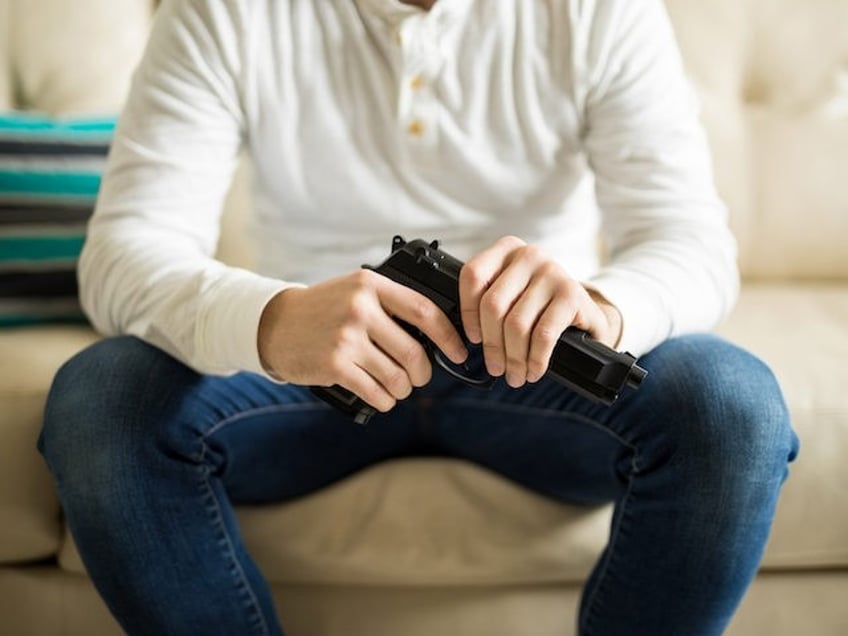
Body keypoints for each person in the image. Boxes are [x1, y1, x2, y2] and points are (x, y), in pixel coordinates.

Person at [39, 0, 799, 634]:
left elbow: (690, 240)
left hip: (535, 364)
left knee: (732, 406)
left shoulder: (598, 8)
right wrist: (273, 320)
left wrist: (599, 306)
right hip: (310, 373)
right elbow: (122, 254)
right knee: (102, 401)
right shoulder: (223, 9)